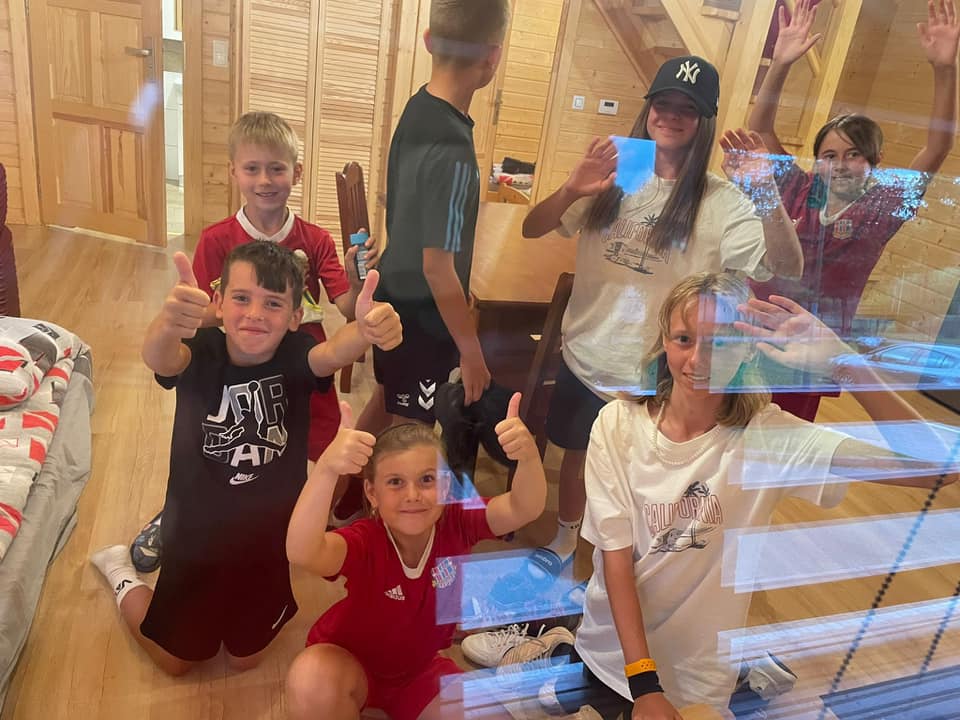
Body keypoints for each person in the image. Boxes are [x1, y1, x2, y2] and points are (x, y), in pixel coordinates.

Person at [539, 272, 956, 718]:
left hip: (695, 674)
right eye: (684, 339)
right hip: (612, 649)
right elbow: (616, 560)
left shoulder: (767, 438)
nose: (698, 360)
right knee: (553, 700)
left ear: (747, 350)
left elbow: (939, 468)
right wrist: (643, 683)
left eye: (721, 344)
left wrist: (846, 364)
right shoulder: (617, 424)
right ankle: (566, 649)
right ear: (664, 341)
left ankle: (748, 671)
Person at [506, 54, 803, 590]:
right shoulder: (616, 174)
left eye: (686, 108)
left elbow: (787, 266)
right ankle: (566, 538)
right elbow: (533, 227)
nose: (671, 116)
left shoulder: (723, 200)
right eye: (662, 104)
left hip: (661, 371)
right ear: (647, 110)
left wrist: (766, 193)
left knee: (647, 479)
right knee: (577, 456)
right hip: (588, 355)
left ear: (704, 121)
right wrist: (571, 188)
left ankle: (628, 568)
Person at [90, 241, 402, 676]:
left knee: (245, 659)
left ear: (295, 317)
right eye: (241, 298)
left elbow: (334, 351)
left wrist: (366, 328)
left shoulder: (297, 354)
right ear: (217, 304)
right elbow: (160, 357)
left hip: (267, 536)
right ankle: (120, 572)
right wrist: (168, 323)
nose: (255, 313)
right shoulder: (199, 349)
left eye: (273, 303)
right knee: (176, 663)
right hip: (195, 534)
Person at [129, 112, 380, 573]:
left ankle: (307, 518)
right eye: (252, 168)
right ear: (233, 172)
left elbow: (348, 307)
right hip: (235, 371)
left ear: (296, 173)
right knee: (215, 450)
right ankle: (177, 512)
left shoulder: (315, 239)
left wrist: (357, 277)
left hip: (305, 366)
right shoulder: (216, 239)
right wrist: (194, 314)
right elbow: (201, 315)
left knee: (324, 443)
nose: (264, 180)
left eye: (276, 168)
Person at [748, 0, 959, 421]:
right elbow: (760, 129)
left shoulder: (880, 210)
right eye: (829, 155)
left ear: (873, 163)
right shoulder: (798, 188)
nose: (840, 164)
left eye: (854, 154)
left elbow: (937, 148)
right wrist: (781, 63)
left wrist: (945, 70)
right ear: (816, 162)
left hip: (811, 348)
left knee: (786, 441)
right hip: (755, 332)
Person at [283, 393, 547, 720]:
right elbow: (302, 551)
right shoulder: (366, 540)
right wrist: (326, 469)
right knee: (311, 682)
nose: (412, 495)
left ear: (446, 486)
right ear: (372, 493)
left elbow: (524, 507)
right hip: (348, 664)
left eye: (426, 480)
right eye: (395, 482)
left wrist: (528, 458)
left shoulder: (458, 521)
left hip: (417, 672)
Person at [360, 0, 510, 435]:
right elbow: (438, 268)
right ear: (492, 55)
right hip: (421, 319)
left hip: (395, 299)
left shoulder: (417, 107)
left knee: (388, 404)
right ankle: (360, 482)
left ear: (428, 41)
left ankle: (344, 479)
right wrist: (472, 352)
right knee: (412, 438)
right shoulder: (454, 146)